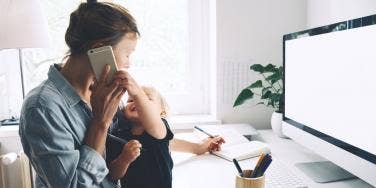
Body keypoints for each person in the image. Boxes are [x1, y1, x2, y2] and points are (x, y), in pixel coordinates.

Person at [18, 1, 142, 187]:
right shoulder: (42, 108)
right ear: (100, 48)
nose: (128, 64)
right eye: (126, 53)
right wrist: (100, 122)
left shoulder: (103, 92)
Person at [106, 86, 225, 188]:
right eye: (131, 99)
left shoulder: (160, 126)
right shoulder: (119, 135)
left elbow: (166, 141)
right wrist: (124, 159)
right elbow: (113, 174)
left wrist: (199, 148)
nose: (137, 101)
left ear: (161, 113)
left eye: (146, 99)